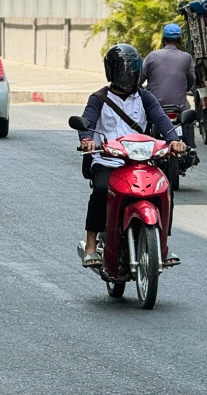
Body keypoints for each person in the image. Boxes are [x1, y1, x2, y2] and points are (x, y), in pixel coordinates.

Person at [77, 44, 187, 268]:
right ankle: (91, 245)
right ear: (111, 71)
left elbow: (162, 120)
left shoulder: (145, 97)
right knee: (100, 190)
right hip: (107, 159)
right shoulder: (99, 98)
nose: (127, 74)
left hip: (140, 161)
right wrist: (87, 140)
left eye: (131, 68)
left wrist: (174, 140)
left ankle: (162, 244)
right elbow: (87, 122)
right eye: (122, 69)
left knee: (165, 190)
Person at [142, 23, 198, 147]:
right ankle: (190, 147)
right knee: (187, 115)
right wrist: (185, 88)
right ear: (179, 40)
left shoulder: (152, 56)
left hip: (156, 106)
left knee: (143, 120)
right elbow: (191, 79)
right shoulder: (186, 57)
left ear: (163, 40)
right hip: (179, 107)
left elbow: (139, 80)